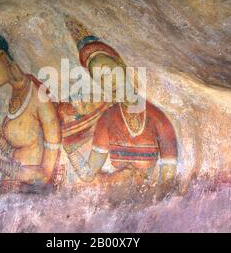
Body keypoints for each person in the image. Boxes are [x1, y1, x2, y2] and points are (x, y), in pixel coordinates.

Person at [63, 16, 178, 192]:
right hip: (115, 205)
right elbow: (88, 174)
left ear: (122, 67)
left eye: (109, 72)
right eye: (101, 79)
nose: (108, 83)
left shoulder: (158, 120)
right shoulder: (107, 120)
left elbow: (167, 184)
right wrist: (71, 151)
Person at [0, 18, 62, 194]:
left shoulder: (39, 98)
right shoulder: (16, 95)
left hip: (30, 198)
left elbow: (45, 175)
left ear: (2, 56)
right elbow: (16, 153)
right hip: (10, 194)